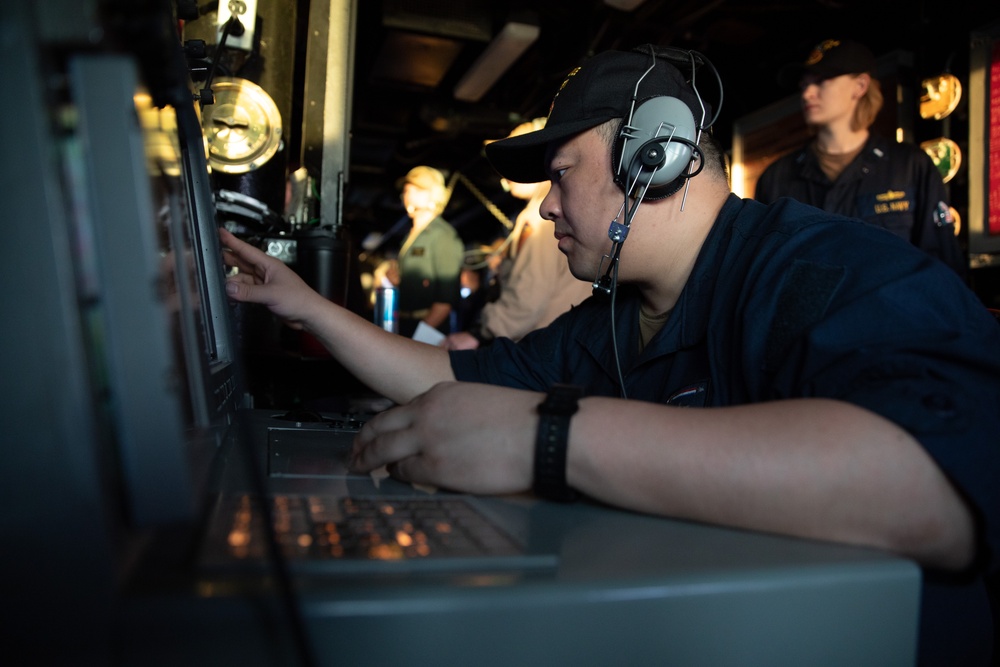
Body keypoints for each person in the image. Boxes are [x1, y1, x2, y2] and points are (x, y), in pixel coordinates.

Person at [220, 44, 1000, 666]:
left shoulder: (822, 269)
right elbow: (452, 384)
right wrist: (308, 306)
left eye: (561, 175)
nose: (549, 205)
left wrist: (549, 436)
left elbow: (936, 481)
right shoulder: (615, 320)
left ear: (652, 156)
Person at [754, 38, 967, 278]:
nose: (807, 93)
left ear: (860, 85)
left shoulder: (909, 166)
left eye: (822, 80)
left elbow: (944, 269)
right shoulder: (776, 178)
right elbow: (763, 273)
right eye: (804, 84)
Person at [442, 118, 592, 350]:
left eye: (515, 160)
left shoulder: (540, 218)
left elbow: (528, 297)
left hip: (540, 349)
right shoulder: (565, 208)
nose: (505, 172)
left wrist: (480, 334)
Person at [379, 165, 464, 337]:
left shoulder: (443, 236)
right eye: (407, 189)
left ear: (434, 194)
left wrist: (419, 337)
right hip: (404, 322)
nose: (408, 194)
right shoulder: (409, 236)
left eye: (418, 189)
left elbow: (445, 301)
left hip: (429, 328)